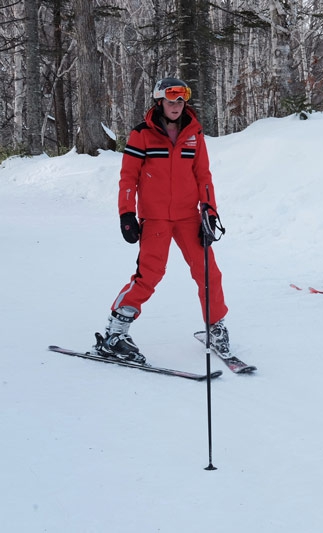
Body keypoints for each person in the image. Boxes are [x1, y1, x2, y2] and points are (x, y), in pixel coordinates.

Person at [96, 77, 229, 363]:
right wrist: (126, 213)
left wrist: (210, 210)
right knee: (149, 275)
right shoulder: (141, 134)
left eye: (181, 100)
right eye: (171, 100)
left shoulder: (195, 134)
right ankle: (115, 333)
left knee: (208, 271)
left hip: (188, 217)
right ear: (160, 102)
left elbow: (203, 176)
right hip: (155, 219)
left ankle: (216, 327)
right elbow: (128, 177)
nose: (176, 106)